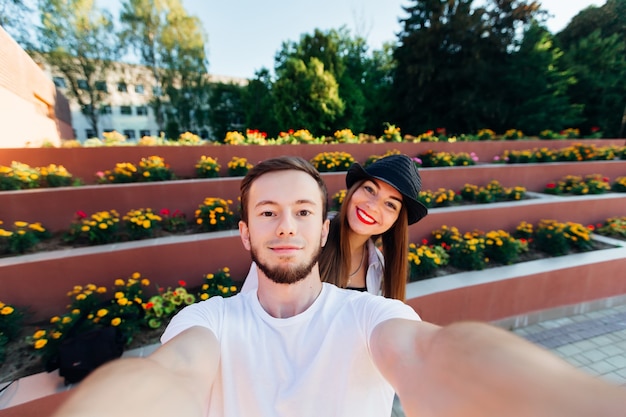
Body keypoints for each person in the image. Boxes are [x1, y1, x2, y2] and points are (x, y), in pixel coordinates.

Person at [52, 156, 626, 417]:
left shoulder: (375, 294)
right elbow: (172, 374)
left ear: (319, 223)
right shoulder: (216, 321)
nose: (286, 227)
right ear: (246, 235)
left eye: (302, 213)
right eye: (270, 215)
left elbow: (426, 350)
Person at [241, 153, 428, 300]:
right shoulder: (305, 236)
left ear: (396, 220)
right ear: (353, 189)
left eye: (390, 205)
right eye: (369, 189)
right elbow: (249, 307)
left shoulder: (377, 265)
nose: (373, 206)